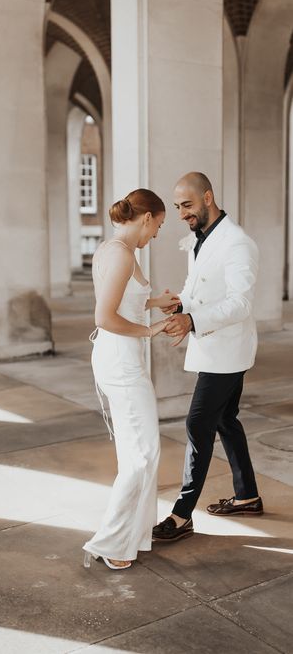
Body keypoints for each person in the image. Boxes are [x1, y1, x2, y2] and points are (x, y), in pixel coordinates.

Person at [152, 172, 263, 543]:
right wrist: (181, 302)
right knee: (226, 420)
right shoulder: (201, 238)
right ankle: (247, 495)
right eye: (177, 207)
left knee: (198, 424)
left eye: (187, 205)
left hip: (228, 350)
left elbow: (240, 303)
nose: (182, 213)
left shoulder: (237, 244)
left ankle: (182, 515)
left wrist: (192, 319)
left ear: (208, 198)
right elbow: (199, 285)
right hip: (215, 347)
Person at [83, 188, 180, 569]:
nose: (156, 234)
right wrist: (151, 330)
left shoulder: (113, 248)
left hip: (118, 359)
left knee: (144, 451)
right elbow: (104, 316)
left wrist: (155, 302)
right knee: (140, 456)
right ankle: (110, 542)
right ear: (146, 218)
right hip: (122, 363)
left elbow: (123, 300)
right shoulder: (123, 256)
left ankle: (133, 537)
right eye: (157, 226)